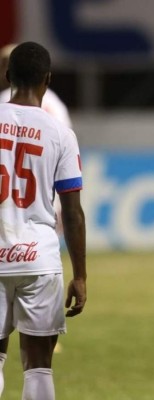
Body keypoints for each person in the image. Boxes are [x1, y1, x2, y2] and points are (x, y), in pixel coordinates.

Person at [0, 42, 86, 399]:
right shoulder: (60, 133)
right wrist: (80, 275)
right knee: (38, 365)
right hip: (39, 259)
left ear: (7, 76)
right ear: (48, 79)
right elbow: (72, 211)